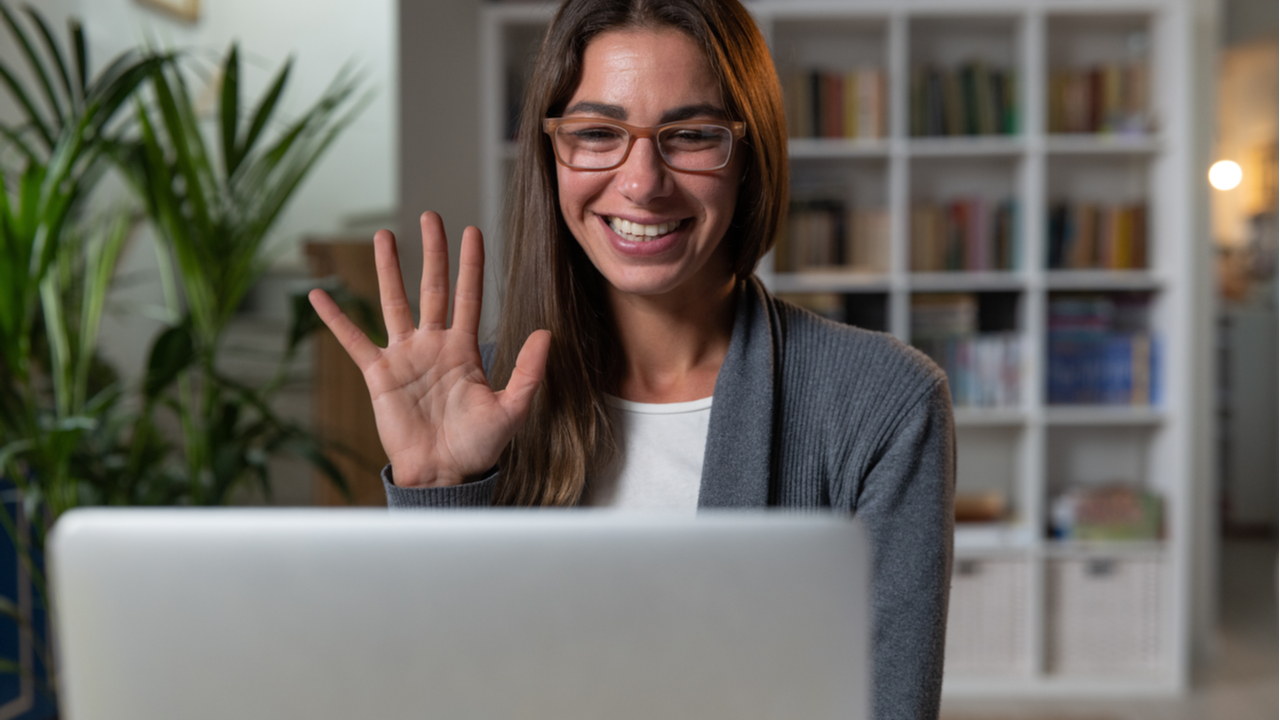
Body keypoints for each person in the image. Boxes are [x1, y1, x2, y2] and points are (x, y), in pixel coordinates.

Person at [309, 0, 955, 717]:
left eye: (692, 134)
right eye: (596, 132)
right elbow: (437, 695)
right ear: (551, 154)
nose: (643, 182)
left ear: (750, 154)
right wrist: (438, 492)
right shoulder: (476, 403)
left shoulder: (884, 403)